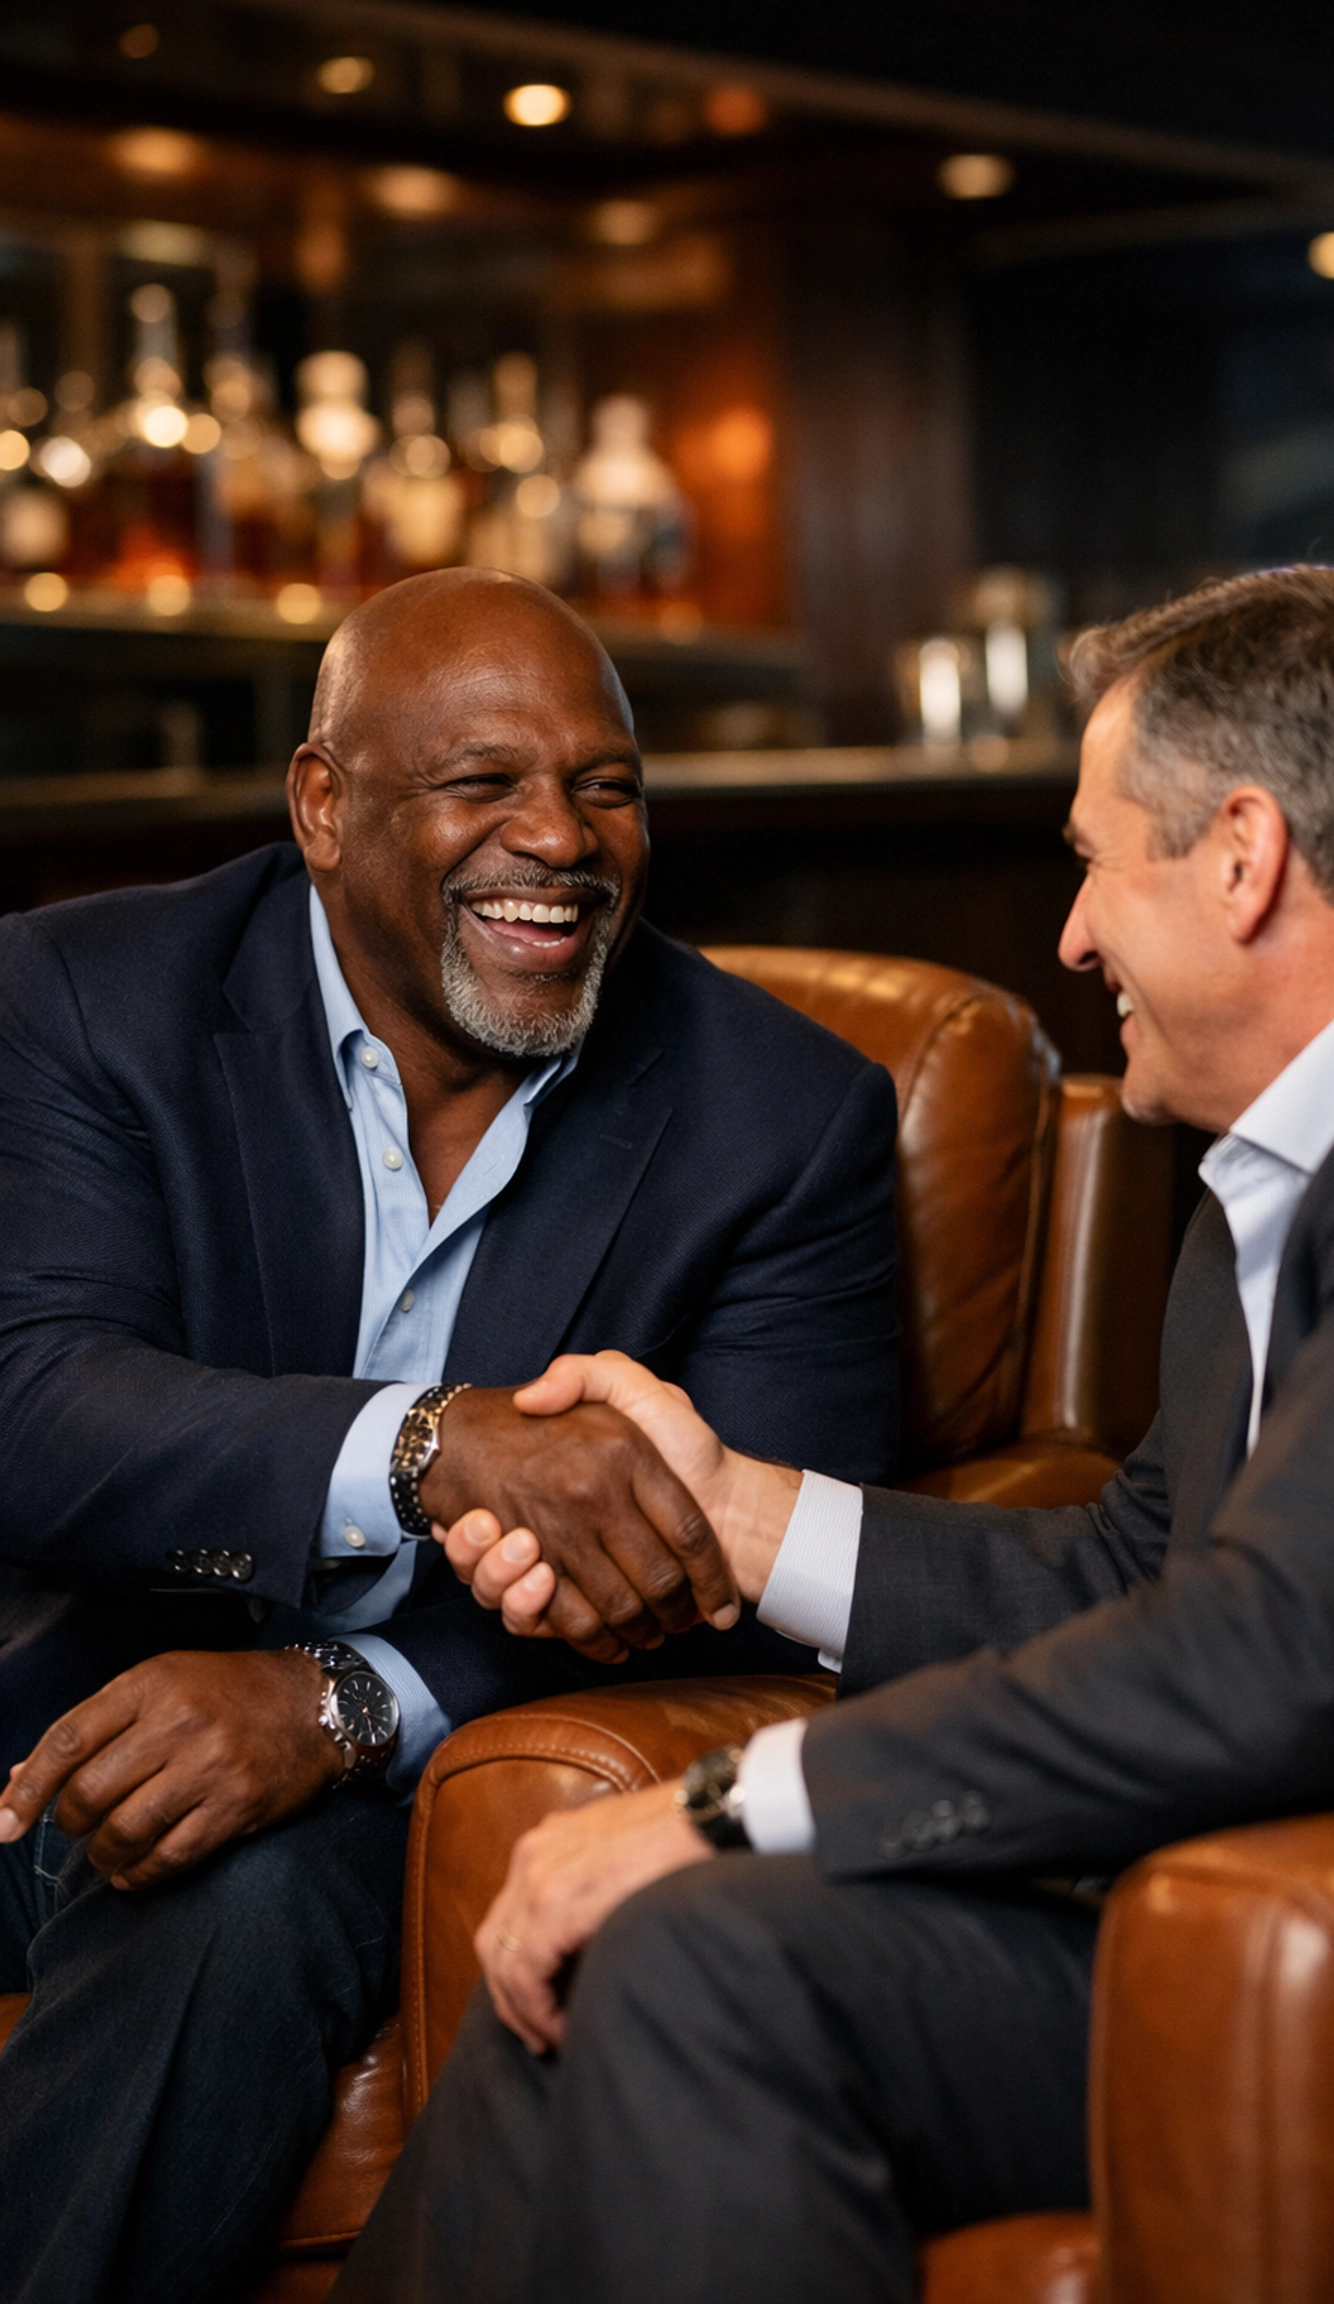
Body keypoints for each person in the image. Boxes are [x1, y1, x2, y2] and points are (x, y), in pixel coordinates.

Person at [334, 565, 1334, 2304]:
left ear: (1244, 855)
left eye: (1092, 858)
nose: (1067, 937)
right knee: (622, 1963)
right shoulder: (1281, 1152)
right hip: (1227, 1901)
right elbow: (1141, 1565)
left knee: (699, 1948)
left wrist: (745, 1802)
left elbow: (1290, 1643)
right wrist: (742, 1514)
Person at [0, 568, 900, 2304]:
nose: (557, 839)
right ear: (324, 808)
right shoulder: (85, 997)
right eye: (482, 785)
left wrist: (339, 1707)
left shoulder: (784, 1119)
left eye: (607, 785)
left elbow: (744, 1574)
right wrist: (431, 1444)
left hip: (403, 1793)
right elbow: (37, 1396)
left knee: (224, 1905)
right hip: (47, 1712)